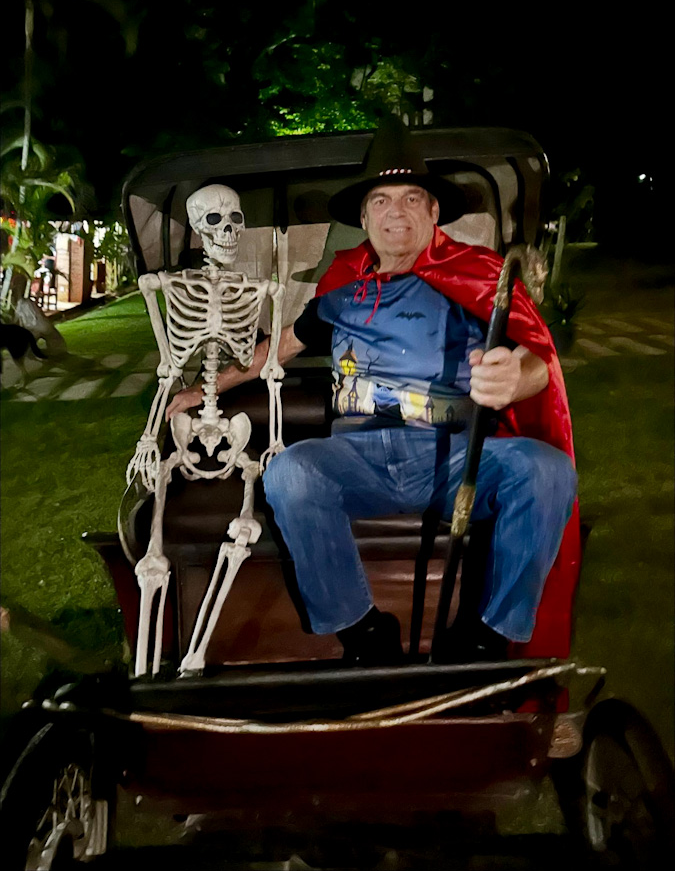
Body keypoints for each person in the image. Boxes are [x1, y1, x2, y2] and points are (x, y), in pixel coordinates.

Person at [166, 118, 578, 665]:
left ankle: (486, 636)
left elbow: (536, 356)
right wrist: (210, 386)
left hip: (455, 456)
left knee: (546, 471)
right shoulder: (342, 286)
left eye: (412, 199)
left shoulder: (479, 275)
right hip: (358, 455)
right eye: (381, 201)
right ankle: (364, 632)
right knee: (291, 472)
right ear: (364, 218)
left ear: (434, 211)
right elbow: (281, 346)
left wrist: (514, 377)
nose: (395, 212)